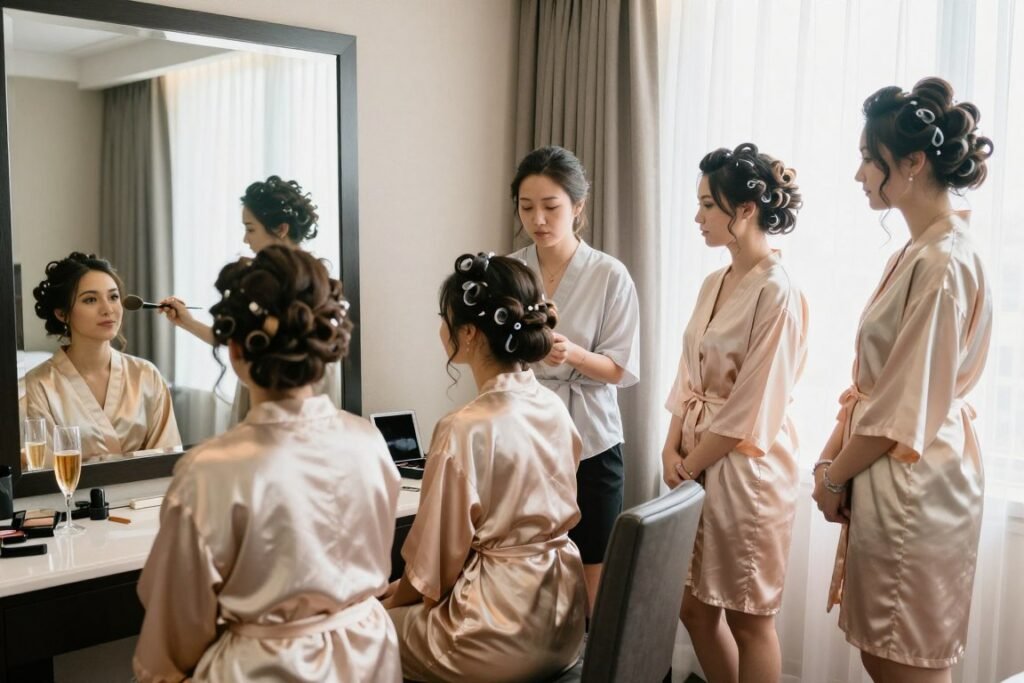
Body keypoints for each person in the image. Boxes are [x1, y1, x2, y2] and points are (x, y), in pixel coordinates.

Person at [133, 245, 401, 682]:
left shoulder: (212, 470)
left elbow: (176, 632)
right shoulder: (368, 441)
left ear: (235, 350)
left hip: (268, 669)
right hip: (370, 657)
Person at [812, 77, 994, 683]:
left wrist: (834, 474)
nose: (860, 174)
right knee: (881, 653)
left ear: (912, 162)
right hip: (894, 471)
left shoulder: (944, 261)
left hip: (916, 478)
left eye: (870, 159)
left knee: (904, 659)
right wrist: (829, 457)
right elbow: (877, 386)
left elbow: (904, 404)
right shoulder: (919, 249)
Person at [383, 252, 587, 683]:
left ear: (470, 333)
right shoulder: (554, 409)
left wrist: (389, 599)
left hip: (496, 633)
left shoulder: (464, 429)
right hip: (563, 622)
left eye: (446, 318)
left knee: (359, 632)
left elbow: (432, 564)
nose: (442, 328)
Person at [663, 143, 807, 683]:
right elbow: (687, 372)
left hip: (747, 470)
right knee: (693, 607)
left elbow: (754, 401)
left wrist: (692, 460)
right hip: (695, 458)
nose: (697, 217)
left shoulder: (779, 291)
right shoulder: (712, 282)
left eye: (707, 206)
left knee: (750, 618)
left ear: (745, 210)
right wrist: (669, 444)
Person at [508, 146, 640, 611]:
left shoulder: (610, 275)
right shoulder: (511, 270)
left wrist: (575, 354)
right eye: (527, 208)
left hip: (592, 441)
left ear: (578, 207)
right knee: (527, 562)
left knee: (591, 567)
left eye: (551, 207)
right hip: (526, 437)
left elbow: (621, 369)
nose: (538, 219)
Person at [158, 175, 340, 422]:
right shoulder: (292, 281)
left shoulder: (307, 285)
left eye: (250, 228)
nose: (246, 239)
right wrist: (188, 322)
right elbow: (244, 339)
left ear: (281, 229)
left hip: (299, 394)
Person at [25, 252, 180, 463]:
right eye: (90, 299)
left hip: (145, 495)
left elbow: (166, 459)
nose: (108, 309)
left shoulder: (146, 375)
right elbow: (46, 471)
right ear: (62, 314)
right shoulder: (39, 386)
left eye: (114, 297)